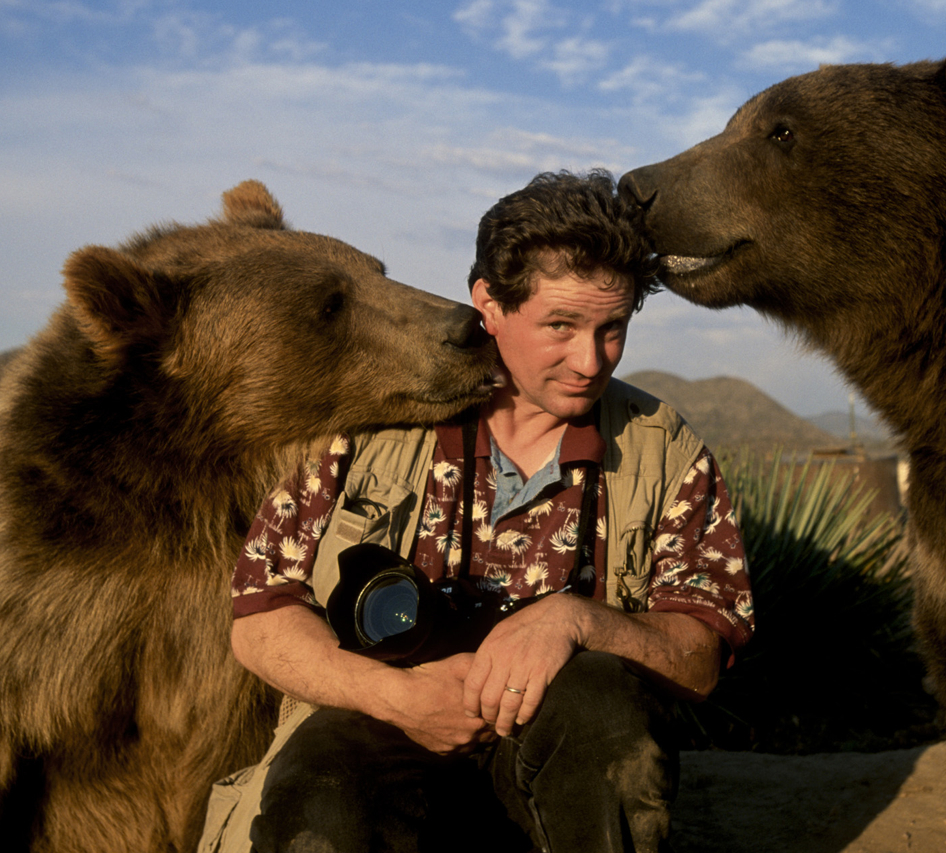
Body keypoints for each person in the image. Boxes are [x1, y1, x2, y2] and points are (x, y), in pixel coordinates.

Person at [214, 170, 753, 853]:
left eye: (611, 328)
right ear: (489, 305)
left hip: (553, 768)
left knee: (600, 706)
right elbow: (261, 616)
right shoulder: (372, 422)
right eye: (560, 326)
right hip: (375, 726)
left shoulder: (664, 448)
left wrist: (576, 621)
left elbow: (701, 654)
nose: (591, 361)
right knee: (325, 799)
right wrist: (395, 696)